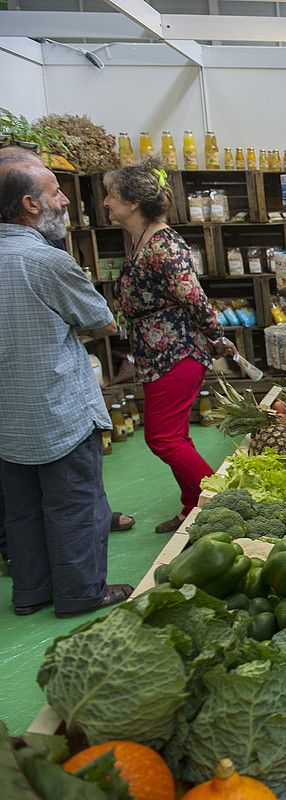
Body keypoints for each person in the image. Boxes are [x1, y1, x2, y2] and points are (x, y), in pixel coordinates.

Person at [0, 162, 134, 617]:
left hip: (8, 414)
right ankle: (81, 592)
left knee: (22, 509)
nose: (65, 202)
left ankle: (31, 592)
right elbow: (103, 320)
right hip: (56, 406)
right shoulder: (46, 261)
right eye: (56, 192)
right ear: (29, 205)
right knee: (76, 503)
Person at [104, 161, 234, 533]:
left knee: (162, 437)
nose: (106, 203)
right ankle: (192, 507)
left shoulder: (162, 243)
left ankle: (223, 504)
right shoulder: (143, 239)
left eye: (112, 195)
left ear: (132, 202)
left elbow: (194, 297)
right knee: (174, 435)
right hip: (158, 353)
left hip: (177, 352)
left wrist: (217, 336)